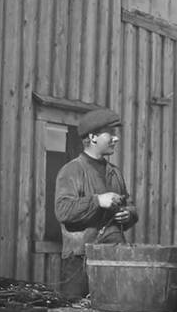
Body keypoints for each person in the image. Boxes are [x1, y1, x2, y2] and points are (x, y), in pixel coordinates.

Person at [54, 107, 138, 298]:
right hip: (79, 261)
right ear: (93, 137)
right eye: (111, 133)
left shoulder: (115, 173)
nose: (116, 138)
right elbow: (63, 211)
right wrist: (98, 201)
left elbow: (130, 205)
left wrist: (129, 214)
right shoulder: (72, 171)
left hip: (114, 258)